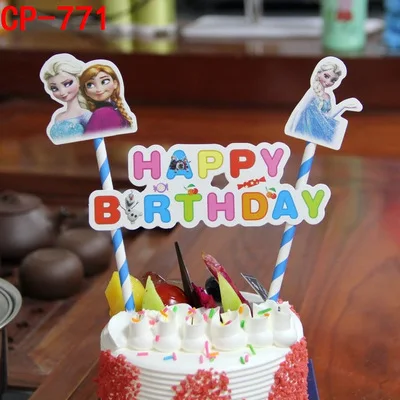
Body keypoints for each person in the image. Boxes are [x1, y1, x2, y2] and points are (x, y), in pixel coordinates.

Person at [286, 59, 361, 147]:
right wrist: (292, 129)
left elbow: (329, 116)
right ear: (319, 73)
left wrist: (344, 106)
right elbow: (301, 109)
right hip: (307, 128)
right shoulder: (313, 92)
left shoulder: (328, 96)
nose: (328, 82)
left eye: (333, 80)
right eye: (326, 76)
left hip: (318, 130)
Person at [40, 54, 91, 143]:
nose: (62, 92)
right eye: (54, 88)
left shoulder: (86, 116)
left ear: (79, 80)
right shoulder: (58, 117)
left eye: (67, 84)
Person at [79, 64, 134, 134]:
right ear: (86, 91)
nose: (99, 89)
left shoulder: (103, 113)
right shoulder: (104, 112)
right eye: (90, 85)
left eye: (104, 81)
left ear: (115, 84)